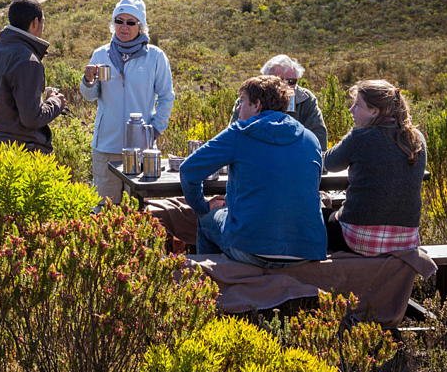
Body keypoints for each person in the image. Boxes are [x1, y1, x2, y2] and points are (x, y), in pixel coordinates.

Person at [180, 75, 327, 266]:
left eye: (242, 101)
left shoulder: (240, 132)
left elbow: (188, 170)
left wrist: (202, 207)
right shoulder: (310, 138)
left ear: (257, 105)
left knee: (206, 220)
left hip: (251, 247)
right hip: (307, 250)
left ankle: (215, 280)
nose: (238, 108)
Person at [81, 0, 175, 205]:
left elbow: (166, 97)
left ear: (140, 26)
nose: (124, 27)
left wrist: (154, 130)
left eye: (131, 22)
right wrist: (88, 81)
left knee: (138, 210)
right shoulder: (100, 54)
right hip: (106, 147)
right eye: (119, 21)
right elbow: (89, 96)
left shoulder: (155, 56)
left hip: (141, 150)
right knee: (104, 210)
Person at [322, 80, 427, 256]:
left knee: (318, 217)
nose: (351, 110)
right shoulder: (416, 138)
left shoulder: (360, 136)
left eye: (357, 105)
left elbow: (330, 163)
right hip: (406, 241)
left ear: (374, 111)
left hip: (359, 240)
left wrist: (354, 132)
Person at [0, 0, 66, 154]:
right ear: (35, 22)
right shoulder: (28, 60)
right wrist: (56, 102)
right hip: (25, 153)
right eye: (43, 22)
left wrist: (1, 134)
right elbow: (32, 118)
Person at [230, 54, 327, 150]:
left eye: (291, 81)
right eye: (278, 81)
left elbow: (319, 139)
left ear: (297, 80)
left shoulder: (305, 99)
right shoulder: (248, 99)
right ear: (265, 79)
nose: (285, 86)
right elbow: (232, 135)